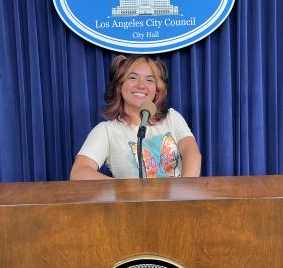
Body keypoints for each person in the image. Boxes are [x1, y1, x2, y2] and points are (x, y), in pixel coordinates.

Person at [70, 55, 201, 180]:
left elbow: (192, 153)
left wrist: (185, 189)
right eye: (132, 78)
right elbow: (79, 172)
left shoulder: (172, 117)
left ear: (157, 90)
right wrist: (126, 189)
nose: (141, 85)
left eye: (150, 80)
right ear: (119, 86)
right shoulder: (106, 131)